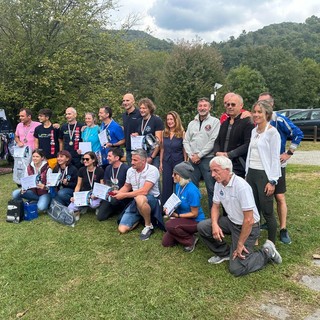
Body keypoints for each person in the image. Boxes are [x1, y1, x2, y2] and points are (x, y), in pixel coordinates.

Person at [197, 156, 282, 277]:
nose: (212, 175)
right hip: (231, 222)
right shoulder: (219, 184)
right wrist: (215, 225)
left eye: (216, 171)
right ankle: (225, 253)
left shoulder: (241, 186)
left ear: (227, 169)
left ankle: (267, 252)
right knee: (203, 226)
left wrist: (240, 244)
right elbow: (215, 206)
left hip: (248, 227)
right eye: (211, 171)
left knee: (236, 269)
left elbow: (249, 219)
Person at [258, 92, 304, 244]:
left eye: (264, 103)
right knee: (264, 195)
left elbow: (298, 133)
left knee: (279, 196)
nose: (260, 106)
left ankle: (283, 229)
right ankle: (268, 222)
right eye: (259, 103)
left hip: (277, 166)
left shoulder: (280, 119)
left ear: (271, 104)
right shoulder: (257, 121)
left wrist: (289, 153)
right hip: (261, 166)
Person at [245, 101, 281, 244]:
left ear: (267, 114)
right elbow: (250, 153)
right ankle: (254, 238)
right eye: (254, 111)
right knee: (253, 209)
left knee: (267, 211)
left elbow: (274, 159)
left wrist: (272, 181)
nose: (256, 115)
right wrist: (247, 173)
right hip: (251, 173)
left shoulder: (272, 133)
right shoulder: (254, 131)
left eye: (260, 112)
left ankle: (271, 243)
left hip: (264, 175)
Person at [113, 149, 160, 241]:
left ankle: (148, 226)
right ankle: (141, 217)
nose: (132, 162)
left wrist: (124, 195)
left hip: (152, 200)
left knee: (140, 198)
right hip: (136, 201)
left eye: (135, 160)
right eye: (132, 160)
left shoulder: (152, 170)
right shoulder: (130, 170)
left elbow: (145, 191)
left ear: (143, 161)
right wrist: (119, 192)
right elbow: (127, 186)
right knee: (122, 229)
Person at [183, 97, 220, 209]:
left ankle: (213, 215)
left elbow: (213, 141)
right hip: (192, 160)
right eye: (200, 106)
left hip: (207, 159)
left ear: (209, 107)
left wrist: (199, 155)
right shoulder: (191, 123)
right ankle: (194, 213)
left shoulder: (215, 122)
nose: (202, 108)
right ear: (197, 107)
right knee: (192, 188)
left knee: (211, 188)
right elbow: (186, 141)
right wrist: (191, 155)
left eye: (205, 106)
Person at [162, 161, 205, 252]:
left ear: (181, 175)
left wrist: (177, 216)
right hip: (183, 218)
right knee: (166, 243)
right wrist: (168, 209)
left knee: (169, 224)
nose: (172, 176)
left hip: (195, 221)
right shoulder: (178, 185)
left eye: (175, 174)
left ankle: (190, 240)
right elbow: (176, 201)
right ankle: (183, 232)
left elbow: (194, 214)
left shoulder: (192, 191)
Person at [214, 93, 254, 178]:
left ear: (241, 105)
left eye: (233, 104)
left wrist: (229, 154)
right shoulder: (225, 123)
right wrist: (217, 152)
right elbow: (217, 140)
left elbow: (248, 144)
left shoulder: (247, 122)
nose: (230, 107)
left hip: (238, 165)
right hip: (223, 163)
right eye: (228, 104)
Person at [68, 151, 104, 221]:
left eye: (87, 159)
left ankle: (97, 207)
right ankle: (81, 208)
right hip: (84, 193)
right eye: (83, 159)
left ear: (93, 160)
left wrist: (97, 195)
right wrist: (75, 196)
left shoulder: (100, 171)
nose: (84, 161)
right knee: (70, 208)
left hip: (95, 194)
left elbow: (102, 186)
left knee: (94, 205)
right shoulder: (81, 170)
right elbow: (78, 185)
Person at [160, 111, 186, 204]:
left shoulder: (182, 133)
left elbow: (184, 149)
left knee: (178, 183)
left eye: (171, 119)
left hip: (178, 161)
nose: (169, 121)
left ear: (176, 120)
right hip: (166, 161)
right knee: (166, 184)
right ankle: (166, 206)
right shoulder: (164, 133)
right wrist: (161, 163)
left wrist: (185, 162)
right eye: (168, 119)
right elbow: (162, 148)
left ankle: (177, 206)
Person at [96, 148, 130, 221]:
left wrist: (119, 193)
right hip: (110, 195)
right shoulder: (108, 168)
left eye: (109, 156)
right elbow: (106, 183)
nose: (107, 158)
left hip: (123, 196)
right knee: (100, 217)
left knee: (115, 201)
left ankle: (121, 208)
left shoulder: (126, 169)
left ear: (117, 158)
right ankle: (114, 208)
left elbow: (128, 186)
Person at [133, 98, 164, 169]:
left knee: (153, 177)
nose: (141, 110)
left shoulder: (156, 120)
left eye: (144, 108)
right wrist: (136, 136)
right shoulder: (139, 121)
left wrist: (151, 157)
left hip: (154, 155)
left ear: (150, 109)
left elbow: (158, 141)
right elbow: (140, 135)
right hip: (142, 154)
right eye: (140, 108)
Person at [121, 93, 142, 166]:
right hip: (128, 149)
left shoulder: (140, 113)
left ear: (133, 101)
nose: (125, 103)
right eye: (124, 101)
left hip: (139, 150)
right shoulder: (124, 115)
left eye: (127, 100)